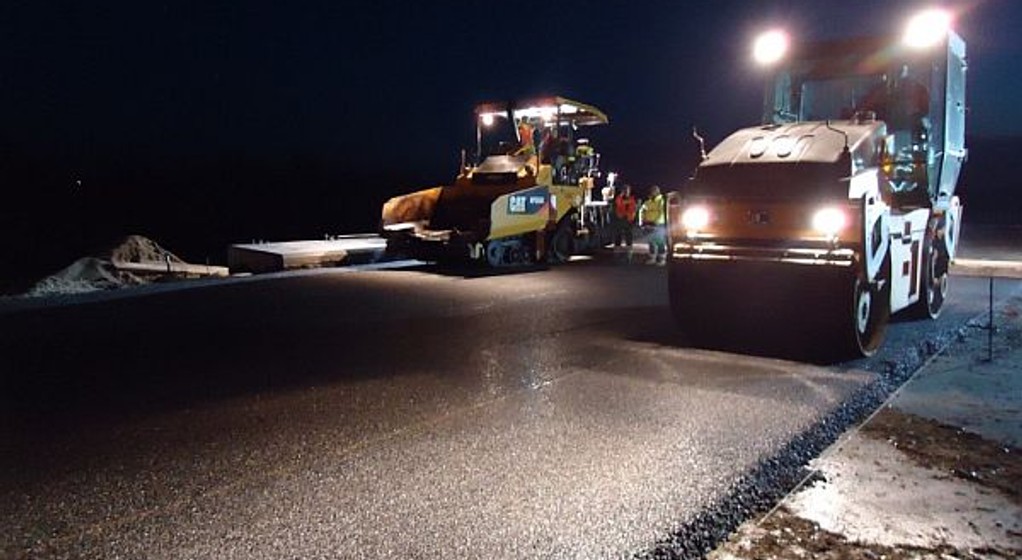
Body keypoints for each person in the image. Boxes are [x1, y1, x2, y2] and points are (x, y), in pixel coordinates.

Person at [639, 185, 667, 265]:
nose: (652, 192)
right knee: (651, 241)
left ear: (658, 192)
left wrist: (657, 222)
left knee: (660, 241)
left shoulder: (661, 201)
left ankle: (662, 259)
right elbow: (642, 211)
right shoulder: (648, 202)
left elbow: (662, 213)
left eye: (654, 191)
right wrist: (642, 222)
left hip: (659, 224)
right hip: (648, 224)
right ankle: (652, 258)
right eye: (651, 191)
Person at [613, 184, 638, 263]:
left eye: (628, 190)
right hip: (620, 220)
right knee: (618, 237)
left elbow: (633, 209)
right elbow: (618, 203)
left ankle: (629, 256)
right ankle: (617, 255)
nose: (626, 192)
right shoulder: (619, 198)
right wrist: (621, 196)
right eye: (625, 190)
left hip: (628, 220)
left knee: (629, 238)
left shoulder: (632, 199)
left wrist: (633, 219)